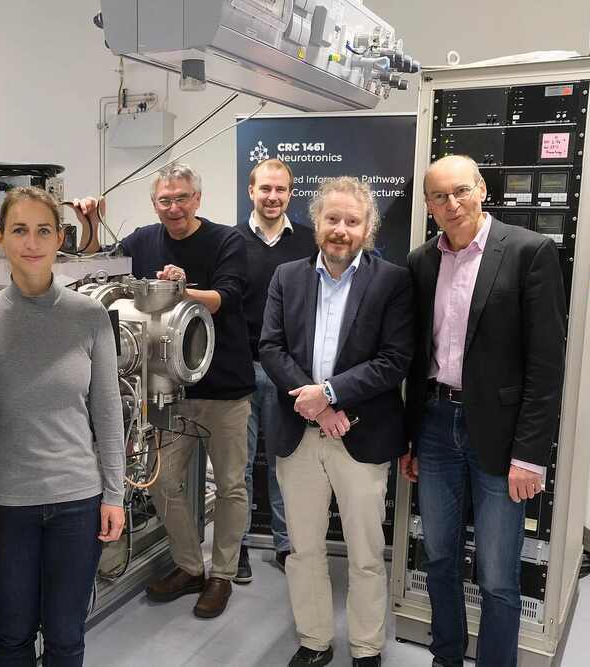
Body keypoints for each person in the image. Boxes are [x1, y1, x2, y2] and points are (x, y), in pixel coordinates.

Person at [401, 154, 566, 667]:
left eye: (460, 192)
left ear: (482, 189)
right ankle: (446, 657)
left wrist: (531, 457)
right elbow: (413, 358)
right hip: (434, 425)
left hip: (500, 436)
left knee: (497, 574)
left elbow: (546, 364)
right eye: (438, 197)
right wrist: (410, 438)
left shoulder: (528, 252)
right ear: (428, 205)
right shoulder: (420, 260)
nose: (451, 205)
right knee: (441, 557)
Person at [74, 163, 254, 618]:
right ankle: (190, 565)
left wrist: (180, 291)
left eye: (181, 198)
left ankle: (223, 575)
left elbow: (227, 296)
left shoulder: (226, 240)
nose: (173, 207)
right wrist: (90, 224)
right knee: (161, 481)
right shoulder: (142, 239)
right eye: (164, 200)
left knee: (231, 486)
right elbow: (99, 270)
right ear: (155, 204)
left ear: (197, 198)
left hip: (224, 388)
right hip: (164, 388)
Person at [0, 186, 125, 666]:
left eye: (43, 230)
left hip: (77, 503)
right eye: (19, 230)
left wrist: (113, 494)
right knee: (12, 635)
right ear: (0, 240)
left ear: (60, 239)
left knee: (65, 635)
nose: (31, 242)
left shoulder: (90, 316)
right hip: (6, 506)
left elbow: (108, 412)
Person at [260, 177, 412, 667]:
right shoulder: (288, 276)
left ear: (368, 228)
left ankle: (367, 648)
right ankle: (314, 640)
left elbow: (394, 360)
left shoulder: (391, 281)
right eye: (332, 219)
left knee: (366, 554)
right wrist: (317, 405)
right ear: (316, 222)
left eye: (352, 221)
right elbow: (270, 347)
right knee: (303, 550)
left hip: (361, 436)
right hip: (298, 436)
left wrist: (329, 394)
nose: (341, 230)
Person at [234, 158, 317, 581]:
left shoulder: (309, 241)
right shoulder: (229, 241)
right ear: (251, 191)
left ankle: (287, 545)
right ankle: (240, 546)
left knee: (285, 462)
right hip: (240, 368)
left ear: (290, 193)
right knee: (241, 465)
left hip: (287, 369)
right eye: (265, 188)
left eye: (281, 190)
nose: (272, 197)